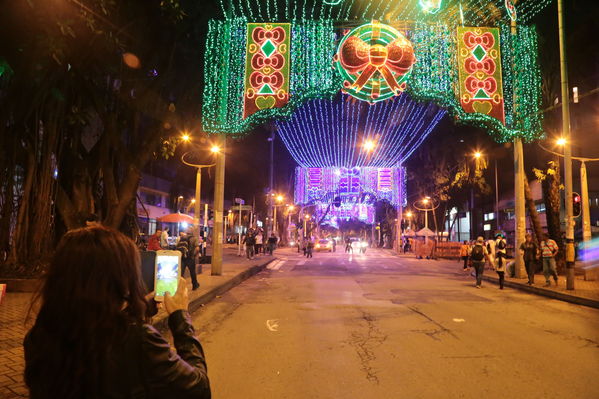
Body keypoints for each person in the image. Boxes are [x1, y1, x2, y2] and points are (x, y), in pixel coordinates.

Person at [24, 226, 210, 398]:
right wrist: (180, 317)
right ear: (118, 279)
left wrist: (140, 307)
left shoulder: (40, 335)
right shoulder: (138, 340)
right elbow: (199, 388)